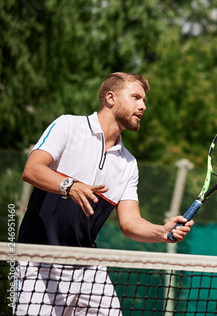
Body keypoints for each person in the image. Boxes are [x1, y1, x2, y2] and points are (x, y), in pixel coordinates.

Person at [15, 72, 194, 315]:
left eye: (144, 101)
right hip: (37, 260)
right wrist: (71, 186)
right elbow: (32, 169)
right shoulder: (68, 126)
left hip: (89, 269)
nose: (143, 106)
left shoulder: (128, 163)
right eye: (135, 98)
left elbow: (130, 223)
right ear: (111, 97)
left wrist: (161, 232)